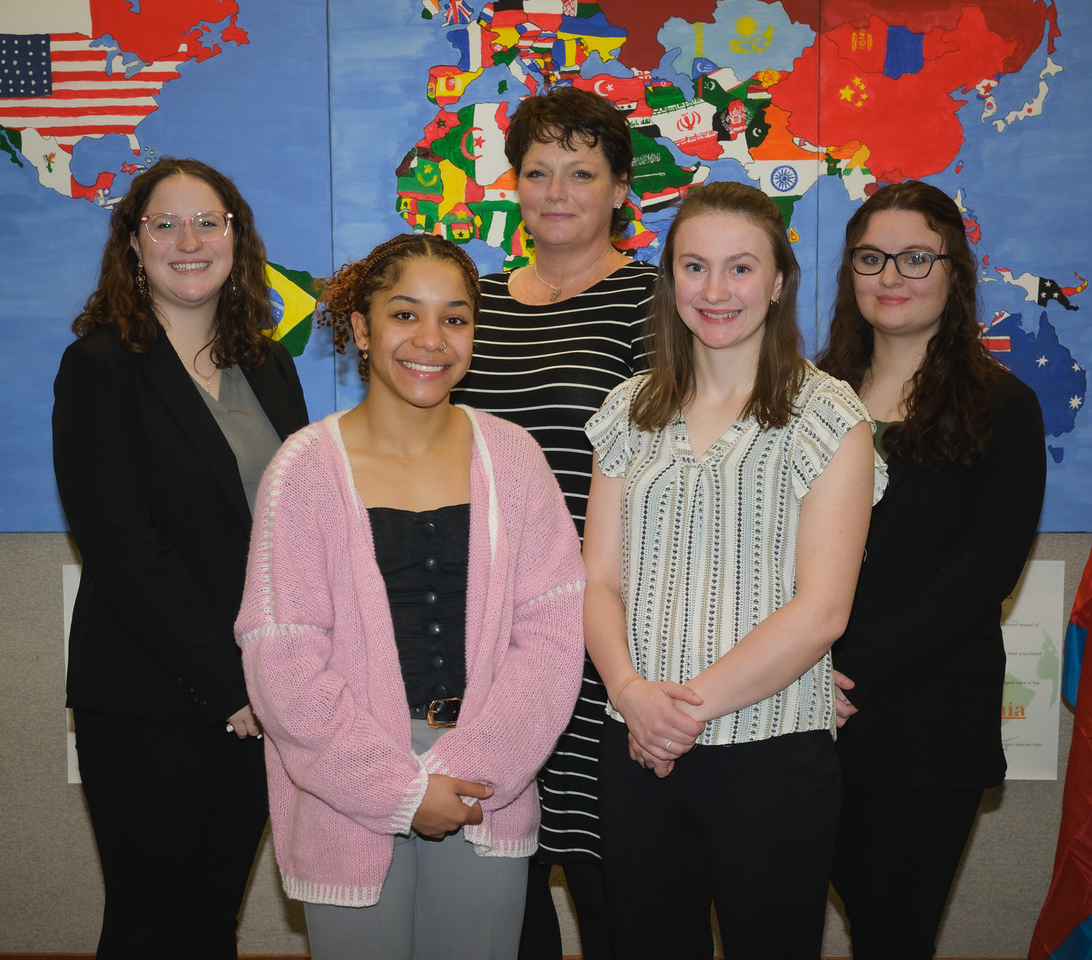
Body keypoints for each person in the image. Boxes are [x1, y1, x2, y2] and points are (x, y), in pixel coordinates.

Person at [235, 234, 587, 960]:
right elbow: (283, 659)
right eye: (405, 314)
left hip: (486, 782)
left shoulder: (514, 458)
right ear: (361, 328)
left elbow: (552, 632)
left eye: (454, 319)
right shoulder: (302, 470)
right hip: (345, 791)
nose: (431, 340)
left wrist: (478, 763)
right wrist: (398, 791)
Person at [581, 181, 886, 959]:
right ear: (670, 278)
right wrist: (630, 697)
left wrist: (677, 713)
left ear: (779, 281)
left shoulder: (830, 417)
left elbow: (822, 612)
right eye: (694, 267)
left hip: (770, 756)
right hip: (636, 748)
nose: (715, 291)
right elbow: (599, 582)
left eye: (741, 268)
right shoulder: (629, 409)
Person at [53, 157, 309, 958]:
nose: (188, 240)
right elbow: (125, 549)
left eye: (209, 222)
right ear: (133, 244)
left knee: (210, 921)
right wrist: (232, 685)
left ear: (238, 239)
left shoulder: (270, 365)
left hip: (259, 695)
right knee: (149, 922)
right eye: (164, 223)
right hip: (149, 696)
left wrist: (279, 677)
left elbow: (295, 529)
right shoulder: (99, 368)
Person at [816, 180, 1046, 959]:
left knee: (893, 937)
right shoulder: (810, 398)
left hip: (924, 722)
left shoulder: (1002, 406)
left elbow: (984, 572)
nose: (891, 276)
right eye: (871, 258)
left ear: (954, 271)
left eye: (916, 257)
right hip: (799, 716)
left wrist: (847, 673)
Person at [452, 84, 657, 960]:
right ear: (513, 185)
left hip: (613, 630)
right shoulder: (475, 307)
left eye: (583, 171)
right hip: (487, 630)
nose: (558, 191)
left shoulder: (659, 304)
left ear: (621, 189)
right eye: (538, 171)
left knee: (618, 882)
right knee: (502, 878)